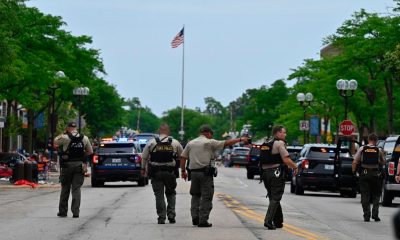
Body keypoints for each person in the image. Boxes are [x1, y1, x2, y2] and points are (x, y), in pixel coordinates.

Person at [180, 125, 249, 227]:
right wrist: (240, 139)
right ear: (208, 133)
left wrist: (183, 171)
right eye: (211, 135)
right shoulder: (209, 142)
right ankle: (203, 220)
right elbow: (226, 143)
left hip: (193, 173)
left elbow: (183, 157)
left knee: (195, 195)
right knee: (206, 196)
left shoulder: (191, 143)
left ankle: (195, 217)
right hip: (205, 173)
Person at [141, 123, 183, 224]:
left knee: (159, 195)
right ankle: (171, 215)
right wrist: (183, 169)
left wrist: (143, 169)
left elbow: (144, 157)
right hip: (170, 172)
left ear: (158, 131)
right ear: (168, 131)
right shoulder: (175, 143)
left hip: (156, 172)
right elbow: (182, 157)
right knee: (171, 193)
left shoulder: (151, 142)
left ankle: (161, 217)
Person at [260, 125, 298, 230]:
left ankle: (278, 221)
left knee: (273, 197)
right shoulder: (280, 143)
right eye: (283, 132)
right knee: (276, 197)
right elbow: (286, 160)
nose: (285, 134)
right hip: (275, 173)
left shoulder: (267, 143)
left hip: (264, 173)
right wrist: (295, 167)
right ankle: (268, 221)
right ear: (277, 133)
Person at [54, 122, 93, 218]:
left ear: (68, 128)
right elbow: (90, 151)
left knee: (65, 188)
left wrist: (63, 133)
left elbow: (55, 142)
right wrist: (81, 156)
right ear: (76, 128)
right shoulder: (85, 138)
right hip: (79, 166)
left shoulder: (64, 137)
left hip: (67, 166)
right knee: (76, 189)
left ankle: (63, 211)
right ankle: (76, 212)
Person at [352, 133, 385, 222]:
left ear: (368, 139)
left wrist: (354, 172)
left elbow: (355, 162)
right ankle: (375, 215)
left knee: (365, 195)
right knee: (376, 195)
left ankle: (367, 215)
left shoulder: (362, 149)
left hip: (364, 174)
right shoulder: (378, 150)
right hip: (375, 175)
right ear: (376, 141)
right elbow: (383, 162)